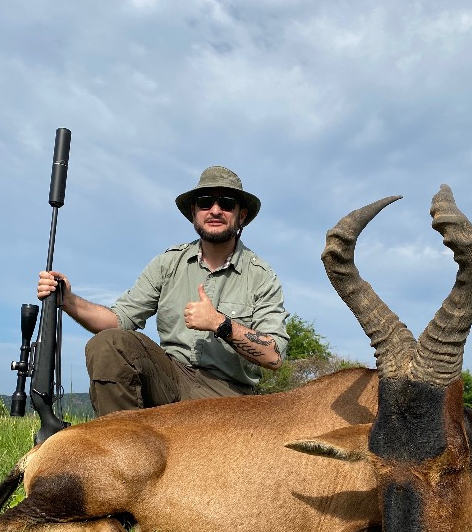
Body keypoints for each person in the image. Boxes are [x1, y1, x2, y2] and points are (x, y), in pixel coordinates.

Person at [37, 166, 289, 417]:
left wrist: (220, 323)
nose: (214, 210)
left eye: (225, 203)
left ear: (241, 215)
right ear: (194, 212)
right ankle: (125, 448)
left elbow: (274, 356)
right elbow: (118, 319)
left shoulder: (261, 276)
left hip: (229, 396)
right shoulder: (168, 263)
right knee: (108, 344)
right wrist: (68, 300)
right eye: (204, 202)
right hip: (170, 378)